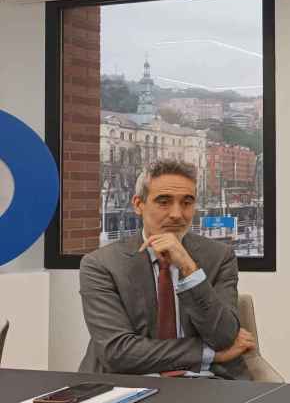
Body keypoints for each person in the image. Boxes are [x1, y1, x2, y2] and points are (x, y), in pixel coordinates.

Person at [79, 159, 254, 379]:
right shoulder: (101, 264)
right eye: (164, 201)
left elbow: (224, 337)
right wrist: (208, 353)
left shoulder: (220, 256)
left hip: (206, 383)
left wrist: (188, 267)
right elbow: (119, 352)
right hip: (126, 384)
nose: (177, 214)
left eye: (187, 202)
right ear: (138, 204)